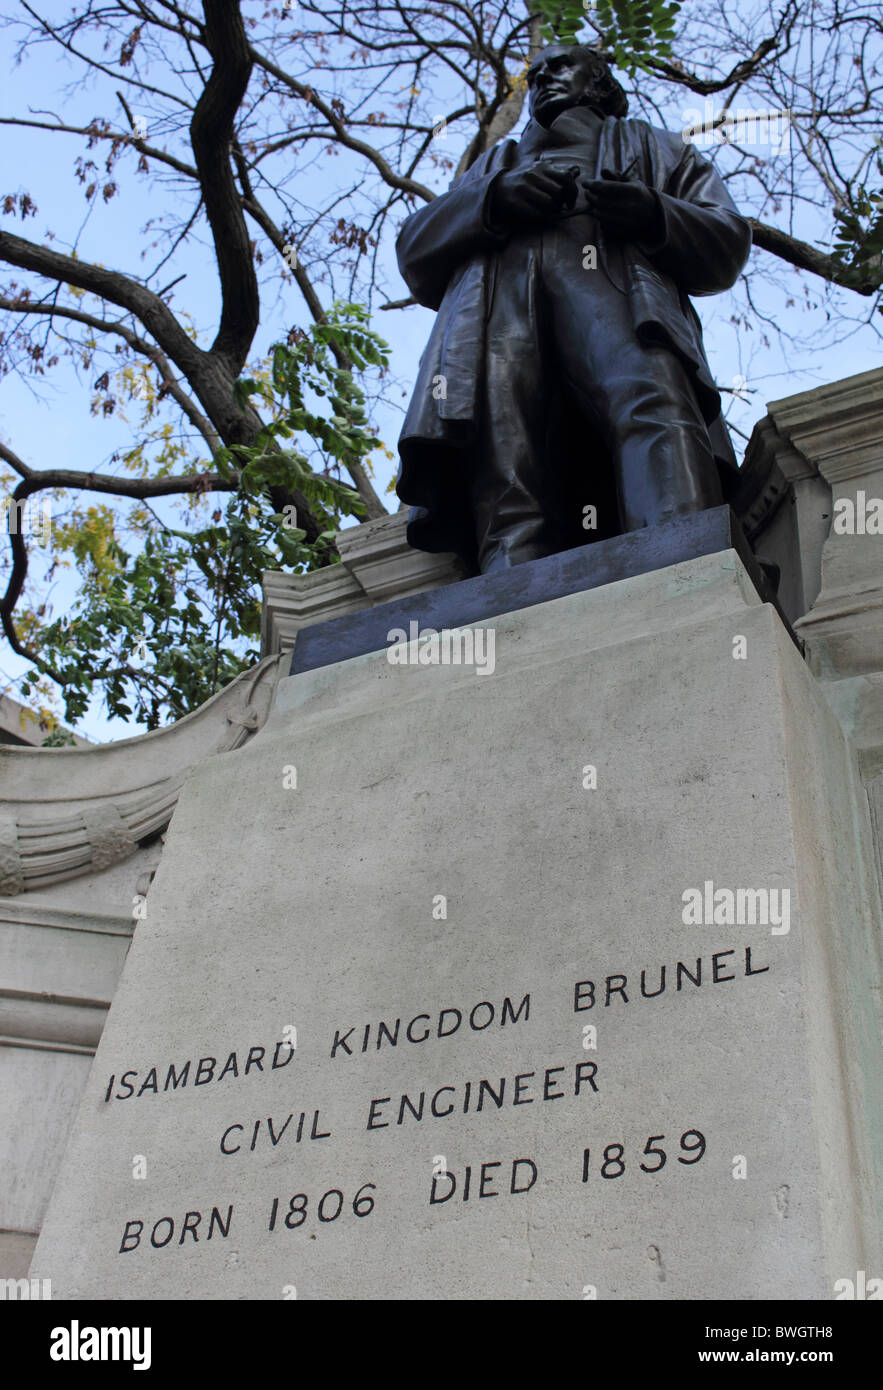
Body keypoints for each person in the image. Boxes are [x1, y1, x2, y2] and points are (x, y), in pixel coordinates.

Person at [395, 44, 752, 575]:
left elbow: (726, 240)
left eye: (560, 66)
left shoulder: (656, 148)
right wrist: (493, 199)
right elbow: (415, 248)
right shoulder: (494, 166)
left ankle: (684, 566)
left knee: (651, 405)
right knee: (503, 449)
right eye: (535, 73)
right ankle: (508, 592)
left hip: (618, 286)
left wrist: (654, 213)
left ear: (601, 83)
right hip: (500, 302)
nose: (543, 78)